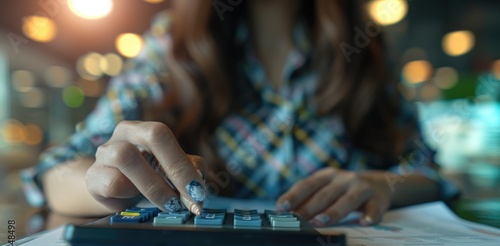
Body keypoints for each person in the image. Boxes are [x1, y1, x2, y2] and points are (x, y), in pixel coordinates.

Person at [21, 0, 458, 226]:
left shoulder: (365, 47)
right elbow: (52, 173)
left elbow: (431, 172)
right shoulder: (172, 44)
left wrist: (383, 185)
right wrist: (107, 184)